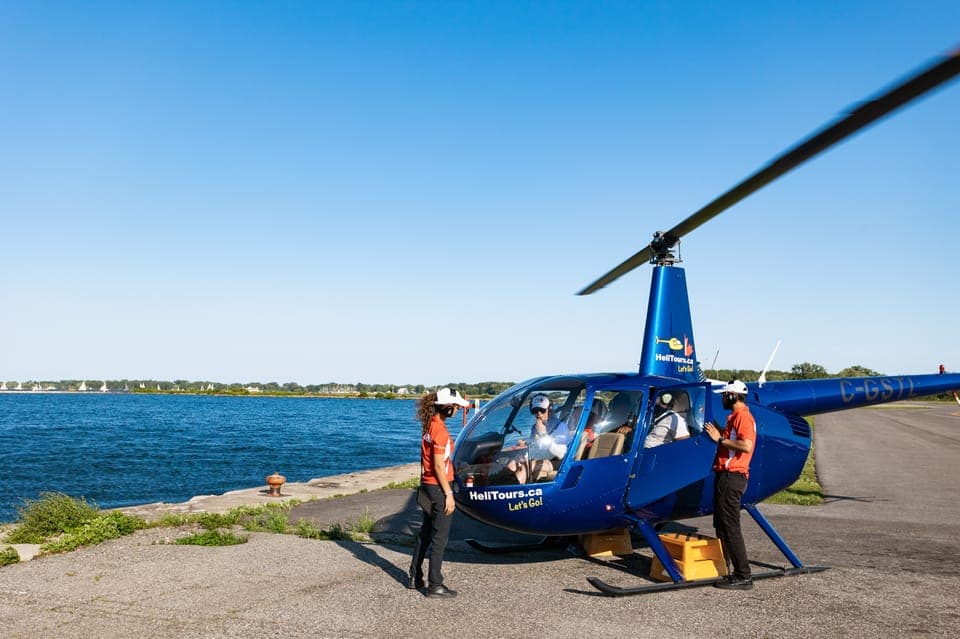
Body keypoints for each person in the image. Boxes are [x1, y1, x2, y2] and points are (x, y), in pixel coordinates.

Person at [409, 387, 469, 598]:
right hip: (438, 487)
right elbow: (437, 465)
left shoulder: (429, 426)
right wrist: (448, 494)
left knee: (425, 533)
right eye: (454, 406)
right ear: (447, 407)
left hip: (427, 485)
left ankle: (414, 576)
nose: (456, 409)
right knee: (439, 537)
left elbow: (426, 461)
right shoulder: (441, 432)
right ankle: (435, 585)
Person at [704, 380, 757, 591]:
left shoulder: (743, 417)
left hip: (733, 477)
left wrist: (719, 440)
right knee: (722, 523)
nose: (722, 398)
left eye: (725, 395)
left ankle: (743, 575)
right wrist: (717, 429)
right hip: (725, 476)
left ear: (734, 396)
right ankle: (725, 567)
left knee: (731, 526)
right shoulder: (733, 417)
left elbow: (745, 445)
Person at [508, 393, 570, 483]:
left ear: (549, 409)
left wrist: (543, 435)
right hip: (541, 457)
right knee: (512, 465)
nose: (539, 413)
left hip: (559, 462)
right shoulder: (535, 427)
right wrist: (523, 456)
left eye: (542, 410)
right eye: (535, 410)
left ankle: (516, 492)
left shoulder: (560, 426)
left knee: (529, 466)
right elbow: (535, 447)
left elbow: (561, 454)